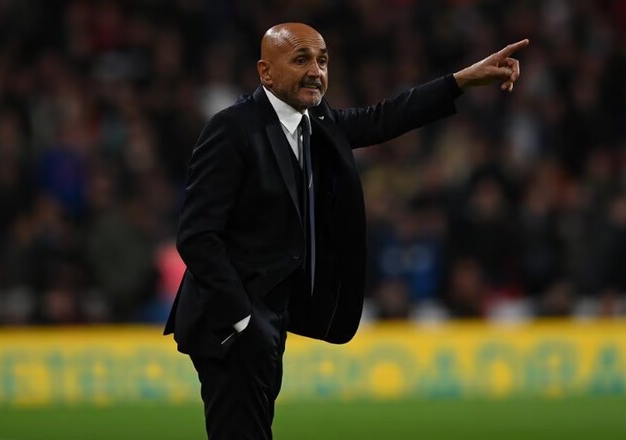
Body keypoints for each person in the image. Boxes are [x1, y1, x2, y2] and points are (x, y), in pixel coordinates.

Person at [164, 22, 528, 440]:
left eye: (322, 61)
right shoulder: (231, 128)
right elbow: (196, 235)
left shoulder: (314, 121)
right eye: (301, 59)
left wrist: (460, 81)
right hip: (228, 322)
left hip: (270, 318)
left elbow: (383, 118)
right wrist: (243, 319)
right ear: (266, 72)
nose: (315, 71)